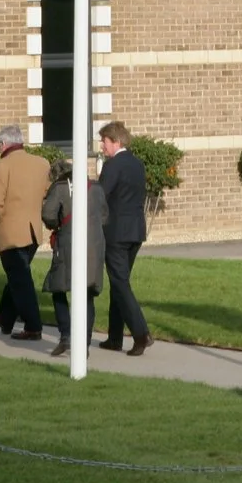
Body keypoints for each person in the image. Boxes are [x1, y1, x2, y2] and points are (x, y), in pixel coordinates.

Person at [0, 124, 49, 342]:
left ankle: (33, 326)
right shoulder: (42, 163)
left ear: (3, 144)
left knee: (21, 281)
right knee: (17, 276)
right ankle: (6, 317)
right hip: (33, 232)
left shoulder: (1, 167)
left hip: (10, 233)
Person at [40, 154, 104, 358]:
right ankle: (84, 343)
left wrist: (57, 225)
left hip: (67, 243)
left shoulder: (58, 189)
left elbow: (48, 215)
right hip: (94, 245)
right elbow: (105, 216)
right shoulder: (96, 188)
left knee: (58, 288)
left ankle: (66, 335)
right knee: (87, 294)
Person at [97, 120, 150, 355]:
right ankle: (114, 337)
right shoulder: (137, 164)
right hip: (135, 231)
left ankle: (141, 333)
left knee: (119, 283)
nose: (101, 146)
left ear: (116, 141)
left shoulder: (112, 166)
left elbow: (101, 196)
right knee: (120, 282)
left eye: (104, 141)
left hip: (116, 232)